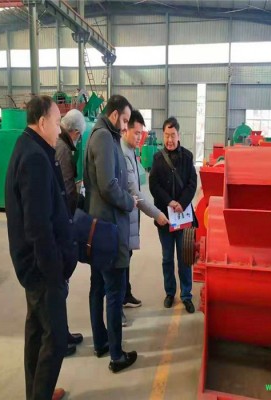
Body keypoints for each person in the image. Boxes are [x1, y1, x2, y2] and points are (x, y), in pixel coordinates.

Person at [5, 95, 78, 400]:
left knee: (37, 332)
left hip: (34, 264)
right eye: (57, 121)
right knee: (56, 339)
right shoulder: (35, 157)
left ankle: (37, 393)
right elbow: (38, 226)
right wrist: (54, 271)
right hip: (41, 267)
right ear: (43, 121)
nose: (60, 128)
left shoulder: (30, 147)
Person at [84, 94, 138, 373]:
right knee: (113, 293)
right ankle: (116, 355)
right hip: (108, 228)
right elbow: (107, 185)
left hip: (99, 227)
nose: (126, 126)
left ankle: (101, 342)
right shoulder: (104, 138)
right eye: (125, 120)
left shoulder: (99, 135)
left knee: (97, 287)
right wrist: (129, 202)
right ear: (114, 115)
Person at [120, 110, 169, 325]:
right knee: (119, 263)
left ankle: (125, 294)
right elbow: (135, 193)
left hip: (131, 217)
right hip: (122, 218)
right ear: (126, 129)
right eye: (136, 132)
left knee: (127, 258)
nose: (139, 137)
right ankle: (117, 309)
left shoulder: (131, 151)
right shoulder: (122, 154)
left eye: (141, 133)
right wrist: (157, 214)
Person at [149, 116, 197, 314]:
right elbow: (154, 186)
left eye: (173, 135)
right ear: (163, 135)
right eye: (166, 135)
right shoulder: (158, 158)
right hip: (165, 218)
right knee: (167, 257)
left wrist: (181, 203)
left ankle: (186, 295)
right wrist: (169, 202)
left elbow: (192, 183)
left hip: (183, 217)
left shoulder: (187, 157)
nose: (169, 140)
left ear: (179, 135)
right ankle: (170, 292)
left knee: (184, 258)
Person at [55, 109, 86, 356]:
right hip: (61, 225)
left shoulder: (60, 145)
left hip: (60, 222)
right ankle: (58, 339)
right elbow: (65, 189)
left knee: (61, 286)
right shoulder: (63, 149)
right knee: (58, 286)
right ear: (74, 132)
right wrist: (77, 207)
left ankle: (63, 332)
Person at [56, 109, 86, 215]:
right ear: (76, 133)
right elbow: (67, 188)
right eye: (80, 136)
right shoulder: (64, 149)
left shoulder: (57, 139)